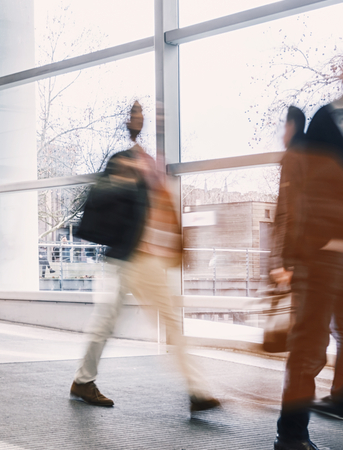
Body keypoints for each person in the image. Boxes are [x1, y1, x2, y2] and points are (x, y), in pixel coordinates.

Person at [68, 101, 220, 413]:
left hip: (144, 259)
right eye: (135, 114)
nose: (141, 119)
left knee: (118, 320)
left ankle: (84, 380)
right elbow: (100, 199)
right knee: (132, 320)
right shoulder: (124, 161)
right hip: (131, 257)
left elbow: (163, 212)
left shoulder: (152, 164)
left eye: (144, 115)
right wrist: (124, 181)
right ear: (129, 123)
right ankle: (195, 390)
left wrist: (178, 247)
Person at [272, 53, 343, 450]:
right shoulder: (320, 158)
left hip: (329, 264)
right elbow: (291, 214)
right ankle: (293, 434)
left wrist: (287, 261)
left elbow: (290, 214)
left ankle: (300, 429)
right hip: (322, 264)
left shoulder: (318, 159)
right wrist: (287, 261)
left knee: (314, 348)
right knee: (312, 349)